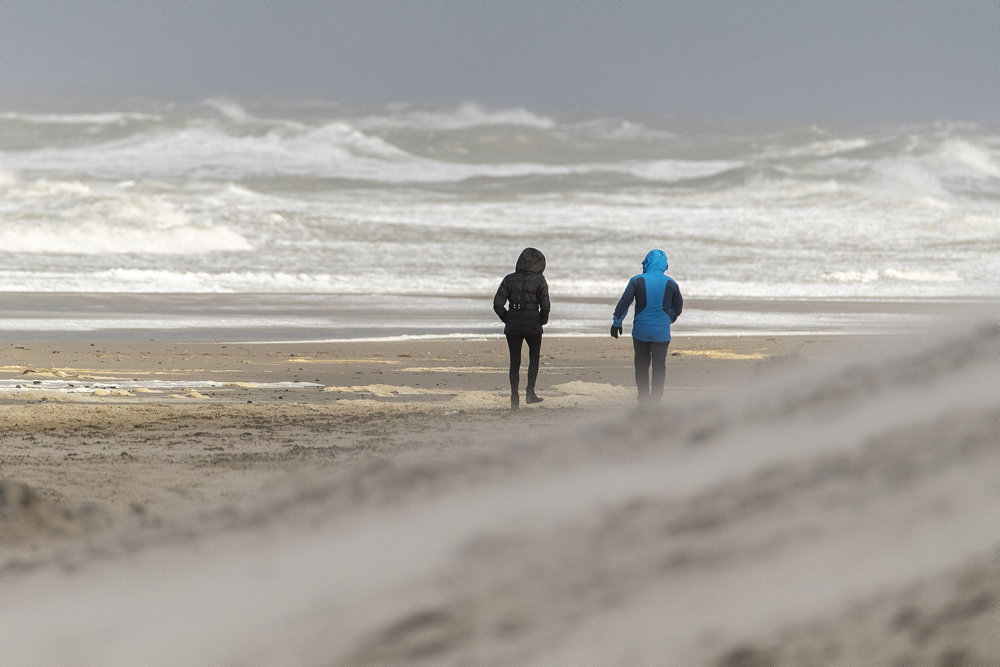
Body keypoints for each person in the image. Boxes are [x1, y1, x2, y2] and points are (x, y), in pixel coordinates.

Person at [610, 249, 683, 403]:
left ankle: (643, 398)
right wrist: (667, 320)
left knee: (642, 365)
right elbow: (678, 308)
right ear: (664, 264)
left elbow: (624, 302)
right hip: (661, 334)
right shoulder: (671, 283)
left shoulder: (637, 280)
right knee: (659, 367)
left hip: (641, 332)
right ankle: (656, 400)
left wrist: (617, 322)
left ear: (647, 262)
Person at [494, 247, 550, 410]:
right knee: (534, 358)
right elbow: (545, 305)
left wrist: (508, 319)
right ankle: (530, 392)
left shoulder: (508, 279)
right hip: (533, 324)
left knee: (514, 361)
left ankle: (514, 398)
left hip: (514, 326)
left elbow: (497, 305)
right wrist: (542, 320)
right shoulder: (540, 280)